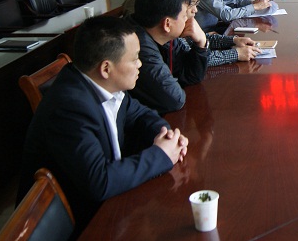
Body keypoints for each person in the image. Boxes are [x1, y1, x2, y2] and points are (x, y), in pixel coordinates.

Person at [18, 16, 188, 232]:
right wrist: (161, 155)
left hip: (108, 204)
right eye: (135, 58)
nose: (140, 64)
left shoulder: (102, 84)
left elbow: (140, 114)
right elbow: (99, 182)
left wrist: (165, 135)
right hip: (79, 223)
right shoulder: (69, 108)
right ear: (106, 68)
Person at [126, 0, 209, 113]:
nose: (189, 19)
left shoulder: (164, 36)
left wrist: (201, 44)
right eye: (184, 16)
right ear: (167, 24)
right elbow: (175, 99)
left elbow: (190, 75)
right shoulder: (138, 47)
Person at [174, 0, 262, 65]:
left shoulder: (185, 23)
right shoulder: (174, 33)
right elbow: (194, 60)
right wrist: (237, 54)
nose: (195, 10)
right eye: (191, 4)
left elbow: (205, 38)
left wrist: (234, 40)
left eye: (196, 4)